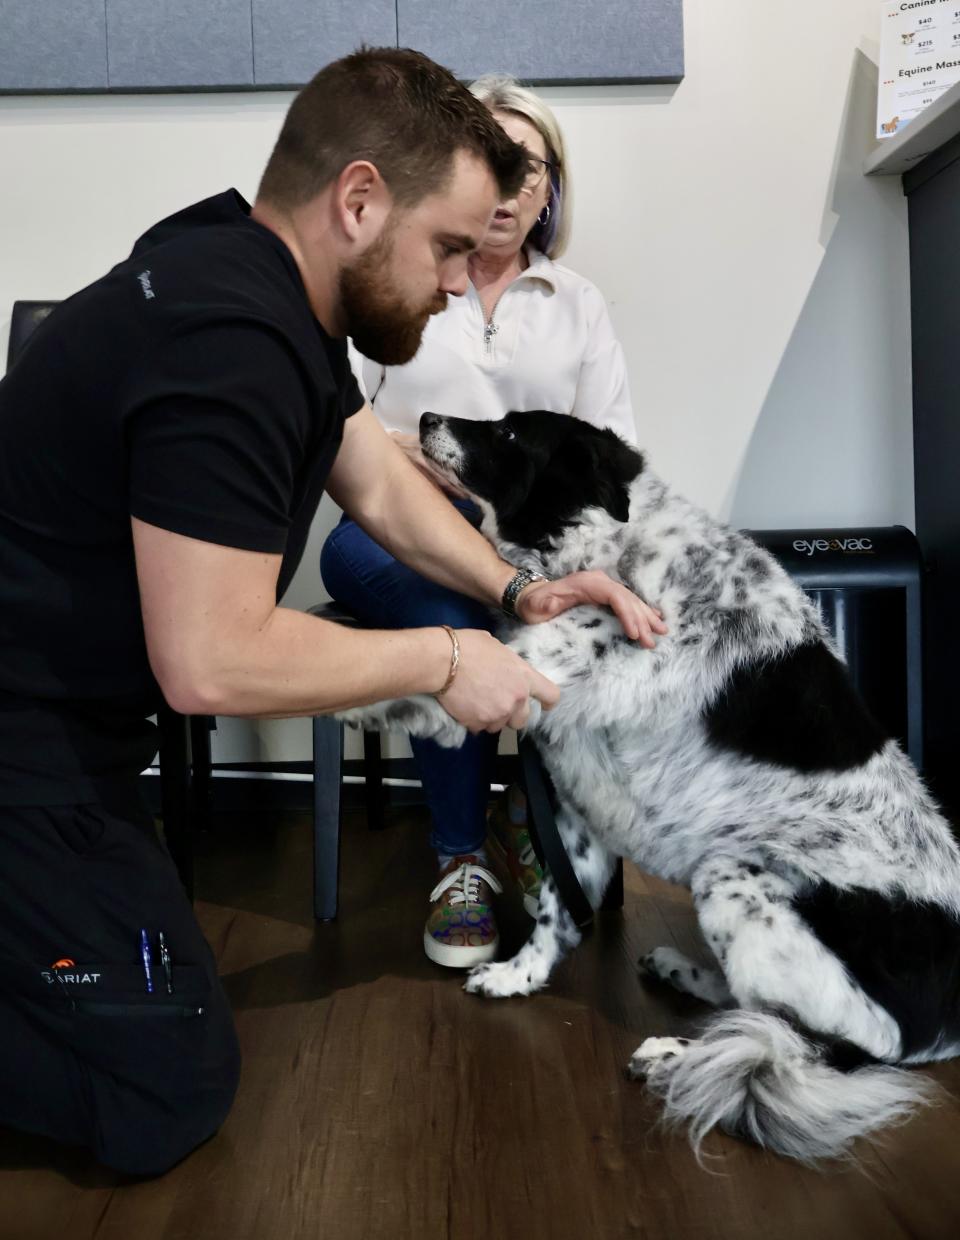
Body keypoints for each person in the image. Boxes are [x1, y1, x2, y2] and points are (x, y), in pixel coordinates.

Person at [0, 49, 663, 1176]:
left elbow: (383, 486)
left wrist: (516, 590)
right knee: (168, 1086)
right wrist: (450, 660)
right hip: (24, 747)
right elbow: (209, 662)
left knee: (153, 1010)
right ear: (359, 201)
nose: (461, 282)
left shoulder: (247, 271)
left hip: (76, 744)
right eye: (449, 245)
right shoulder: (233, 344)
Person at [320, 76, 644, 969]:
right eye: (484, 163)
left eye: (524, 166)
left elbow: (612, 455)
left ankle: (538, 825)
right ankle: (461, 860)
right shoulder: (396, 281)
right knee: (452, 612)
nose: (504, 186)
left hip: (531, 550)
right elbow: (342, 431)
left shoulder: (577, 303)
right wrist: (437, 475)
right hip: (388, 535)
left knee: (562, 613)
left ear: (549, 187)